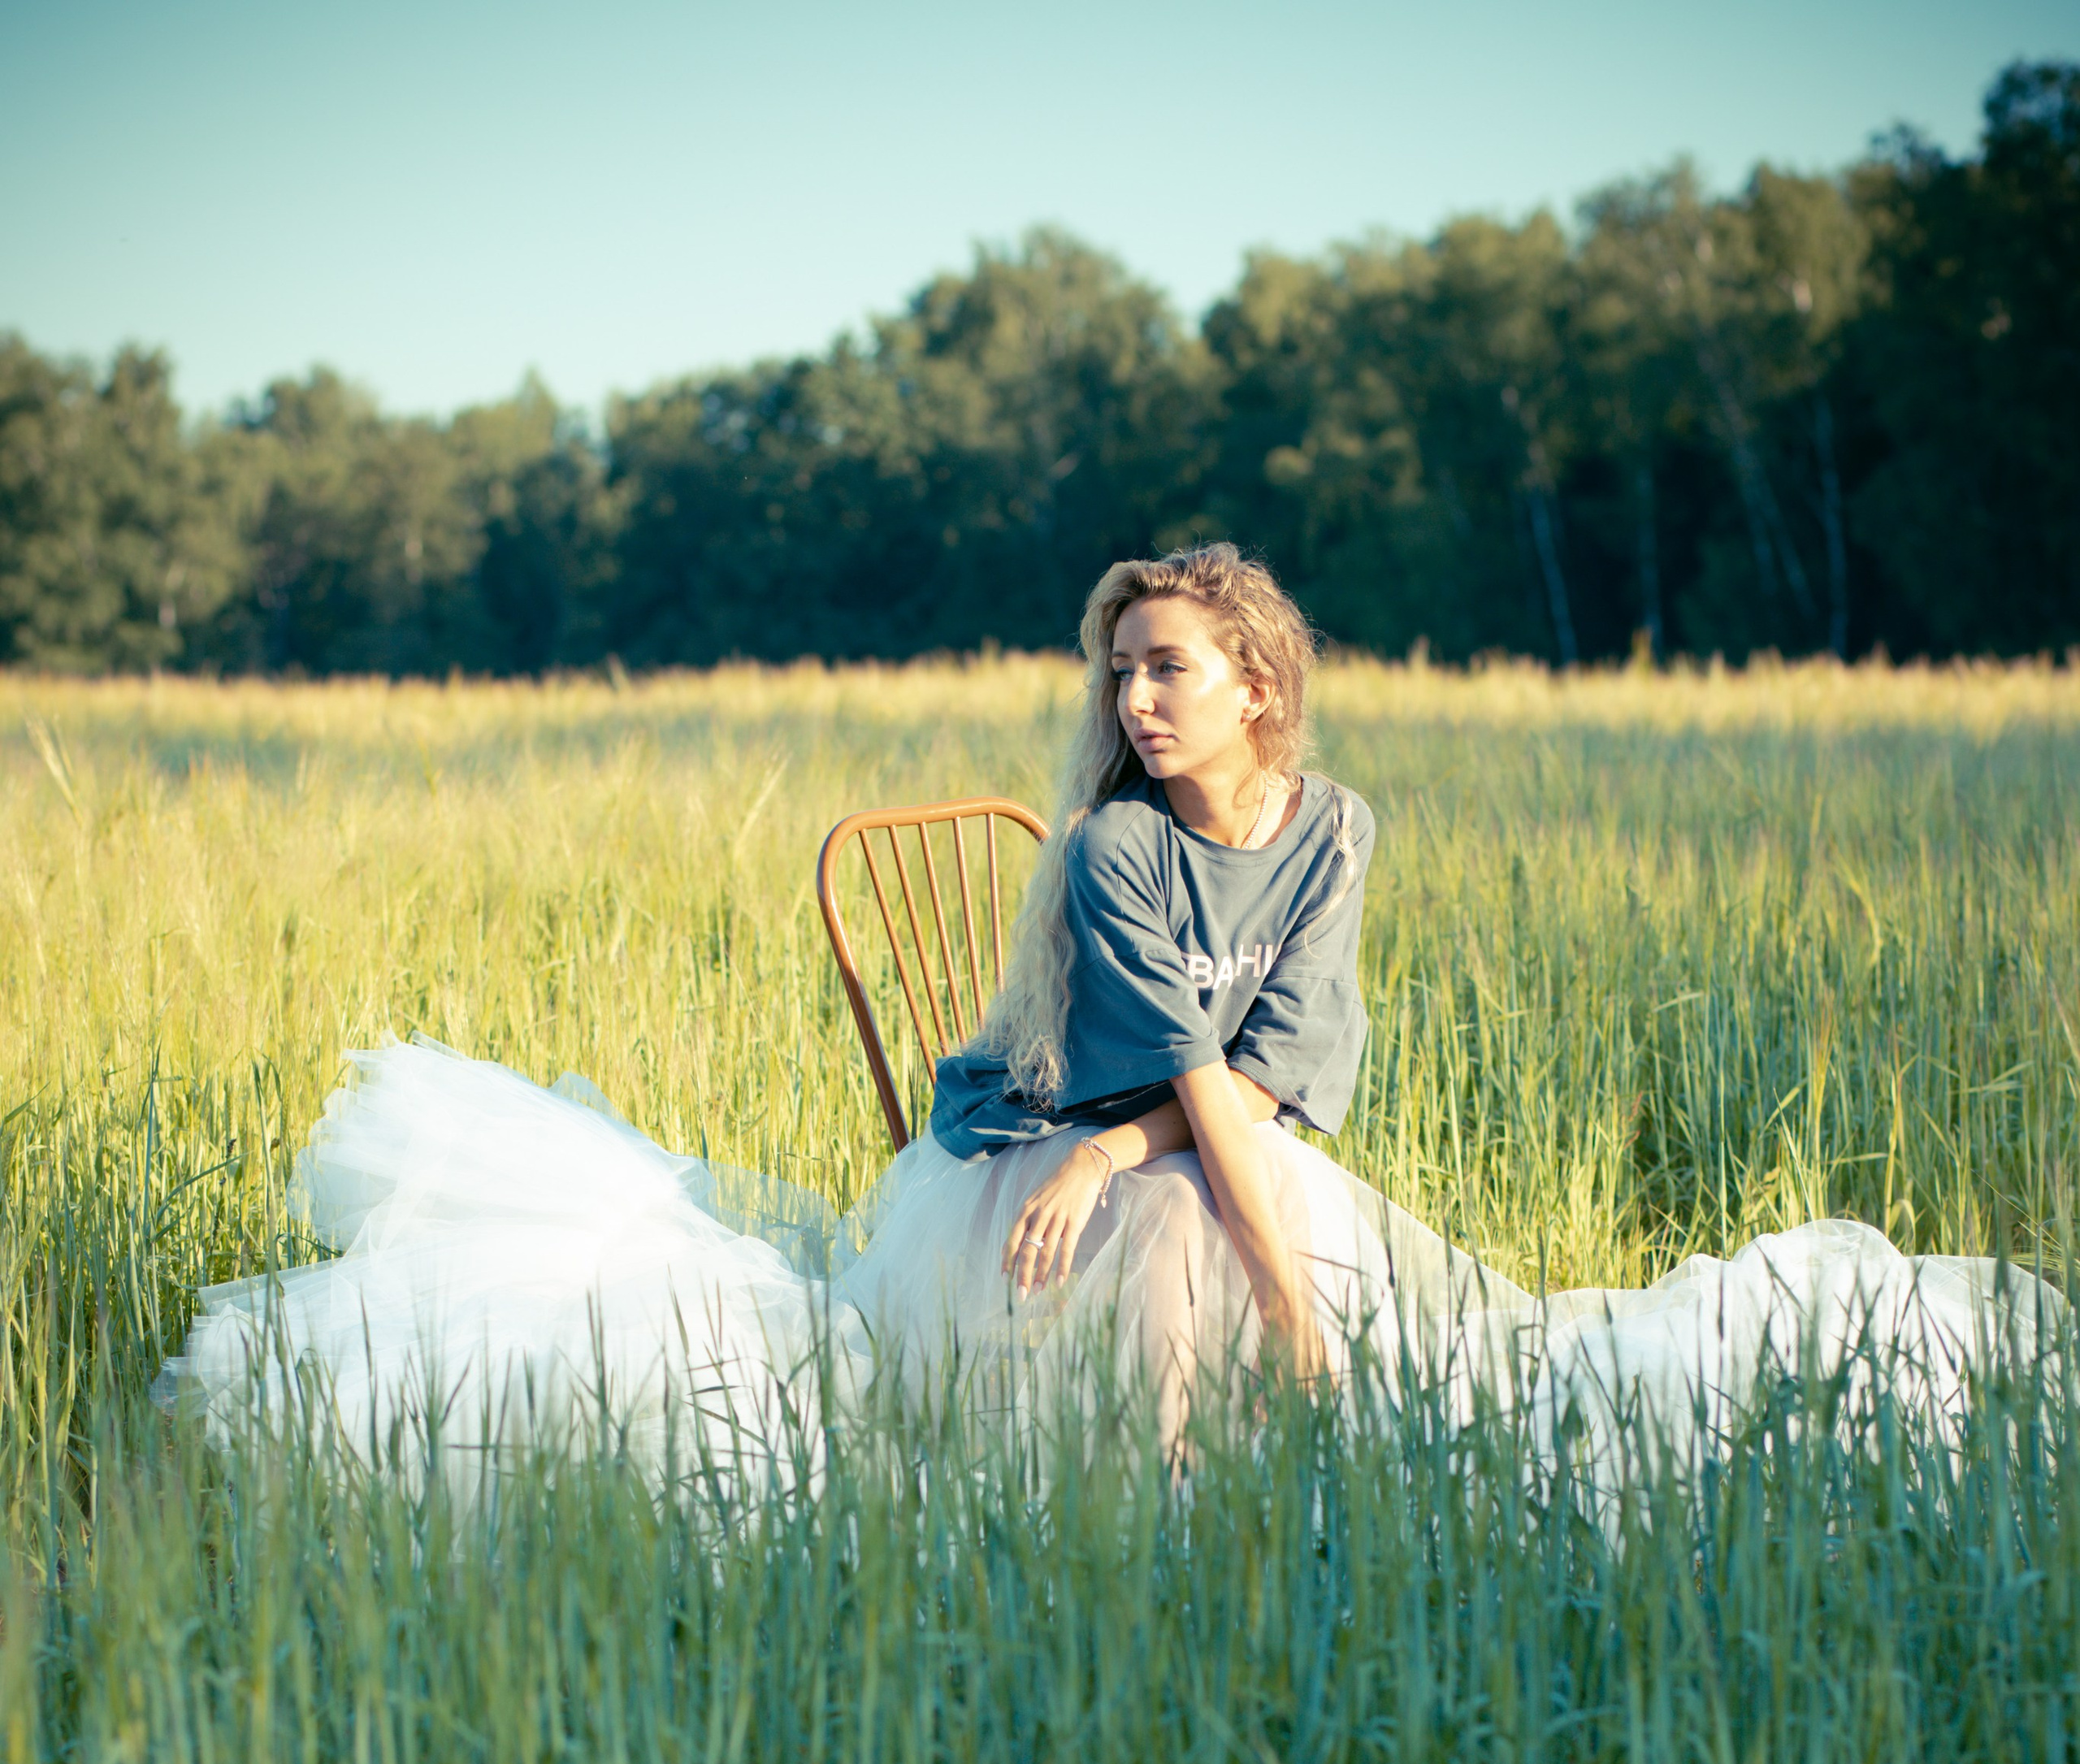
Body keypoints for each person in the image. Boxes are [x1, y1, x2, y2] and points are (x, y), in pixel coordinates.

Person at [163, 542, 2055, 1491]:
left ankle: (1294, 1434)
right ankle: (1148, 1505)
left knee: (1248, 1225)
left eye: (1166, 670)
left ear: (1255, 681)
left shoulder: (1336, 829)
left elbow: (1283, 1071)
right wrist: (1125, 1154)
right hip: (1033, 1146)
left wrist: (1251, 1245)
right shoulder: (1108, 852)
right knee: (1157, 1224)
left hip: (1179, 1130)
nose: (1134, 701)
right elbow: (1181, 1076)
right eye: (1118, 673)